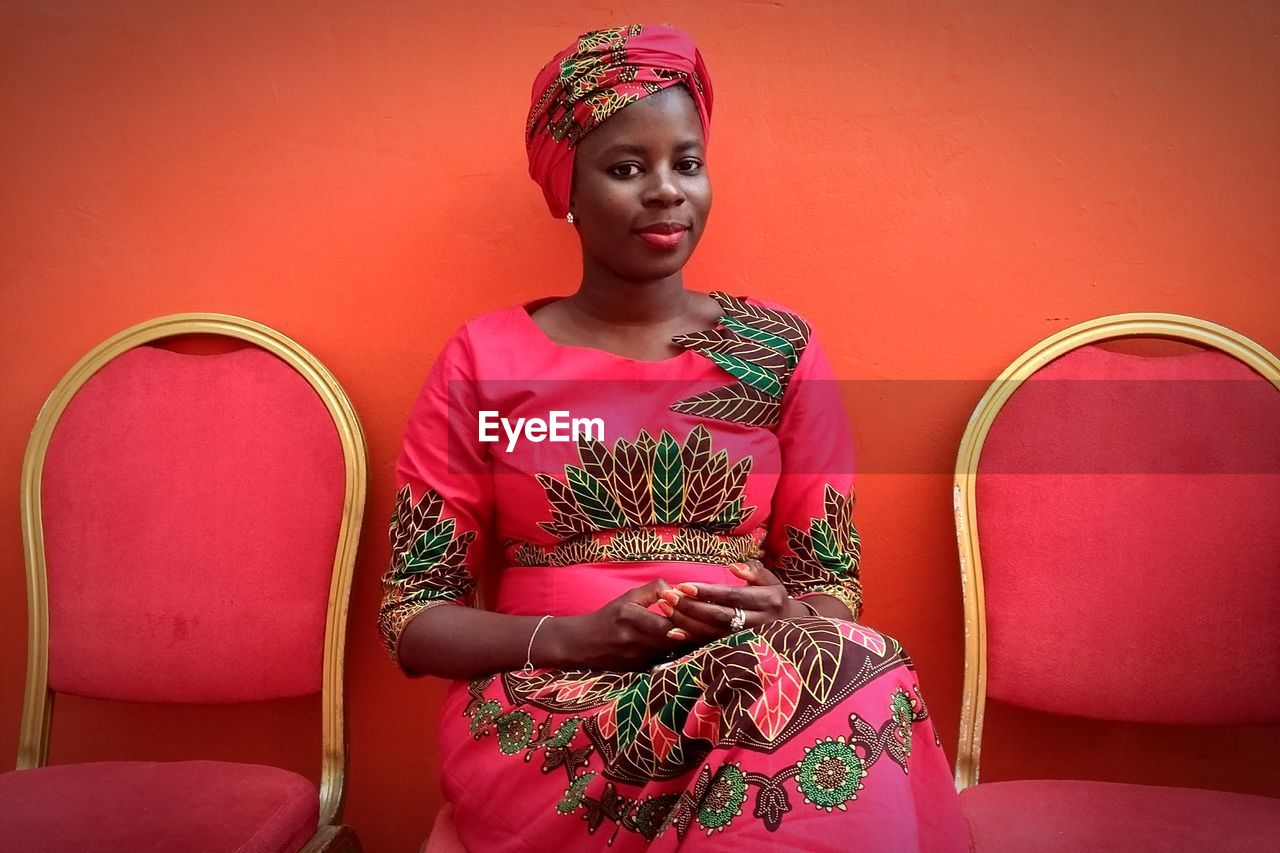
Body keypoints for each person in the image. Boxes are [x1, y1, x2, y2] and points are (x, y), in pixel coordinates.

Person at [380, 24, 967, 852]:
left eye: (686, 163)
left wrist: (787, 611)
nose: (666, 191)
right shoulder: (486, 359)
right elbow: (412, 617)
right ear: (569, 189)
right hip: (549, 712)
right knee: (824, 678)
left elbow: (830, 586)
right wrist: (577, 637)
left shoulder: (780, 351)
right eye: (627, 168)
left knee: (848, 653)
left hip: (755, 688)